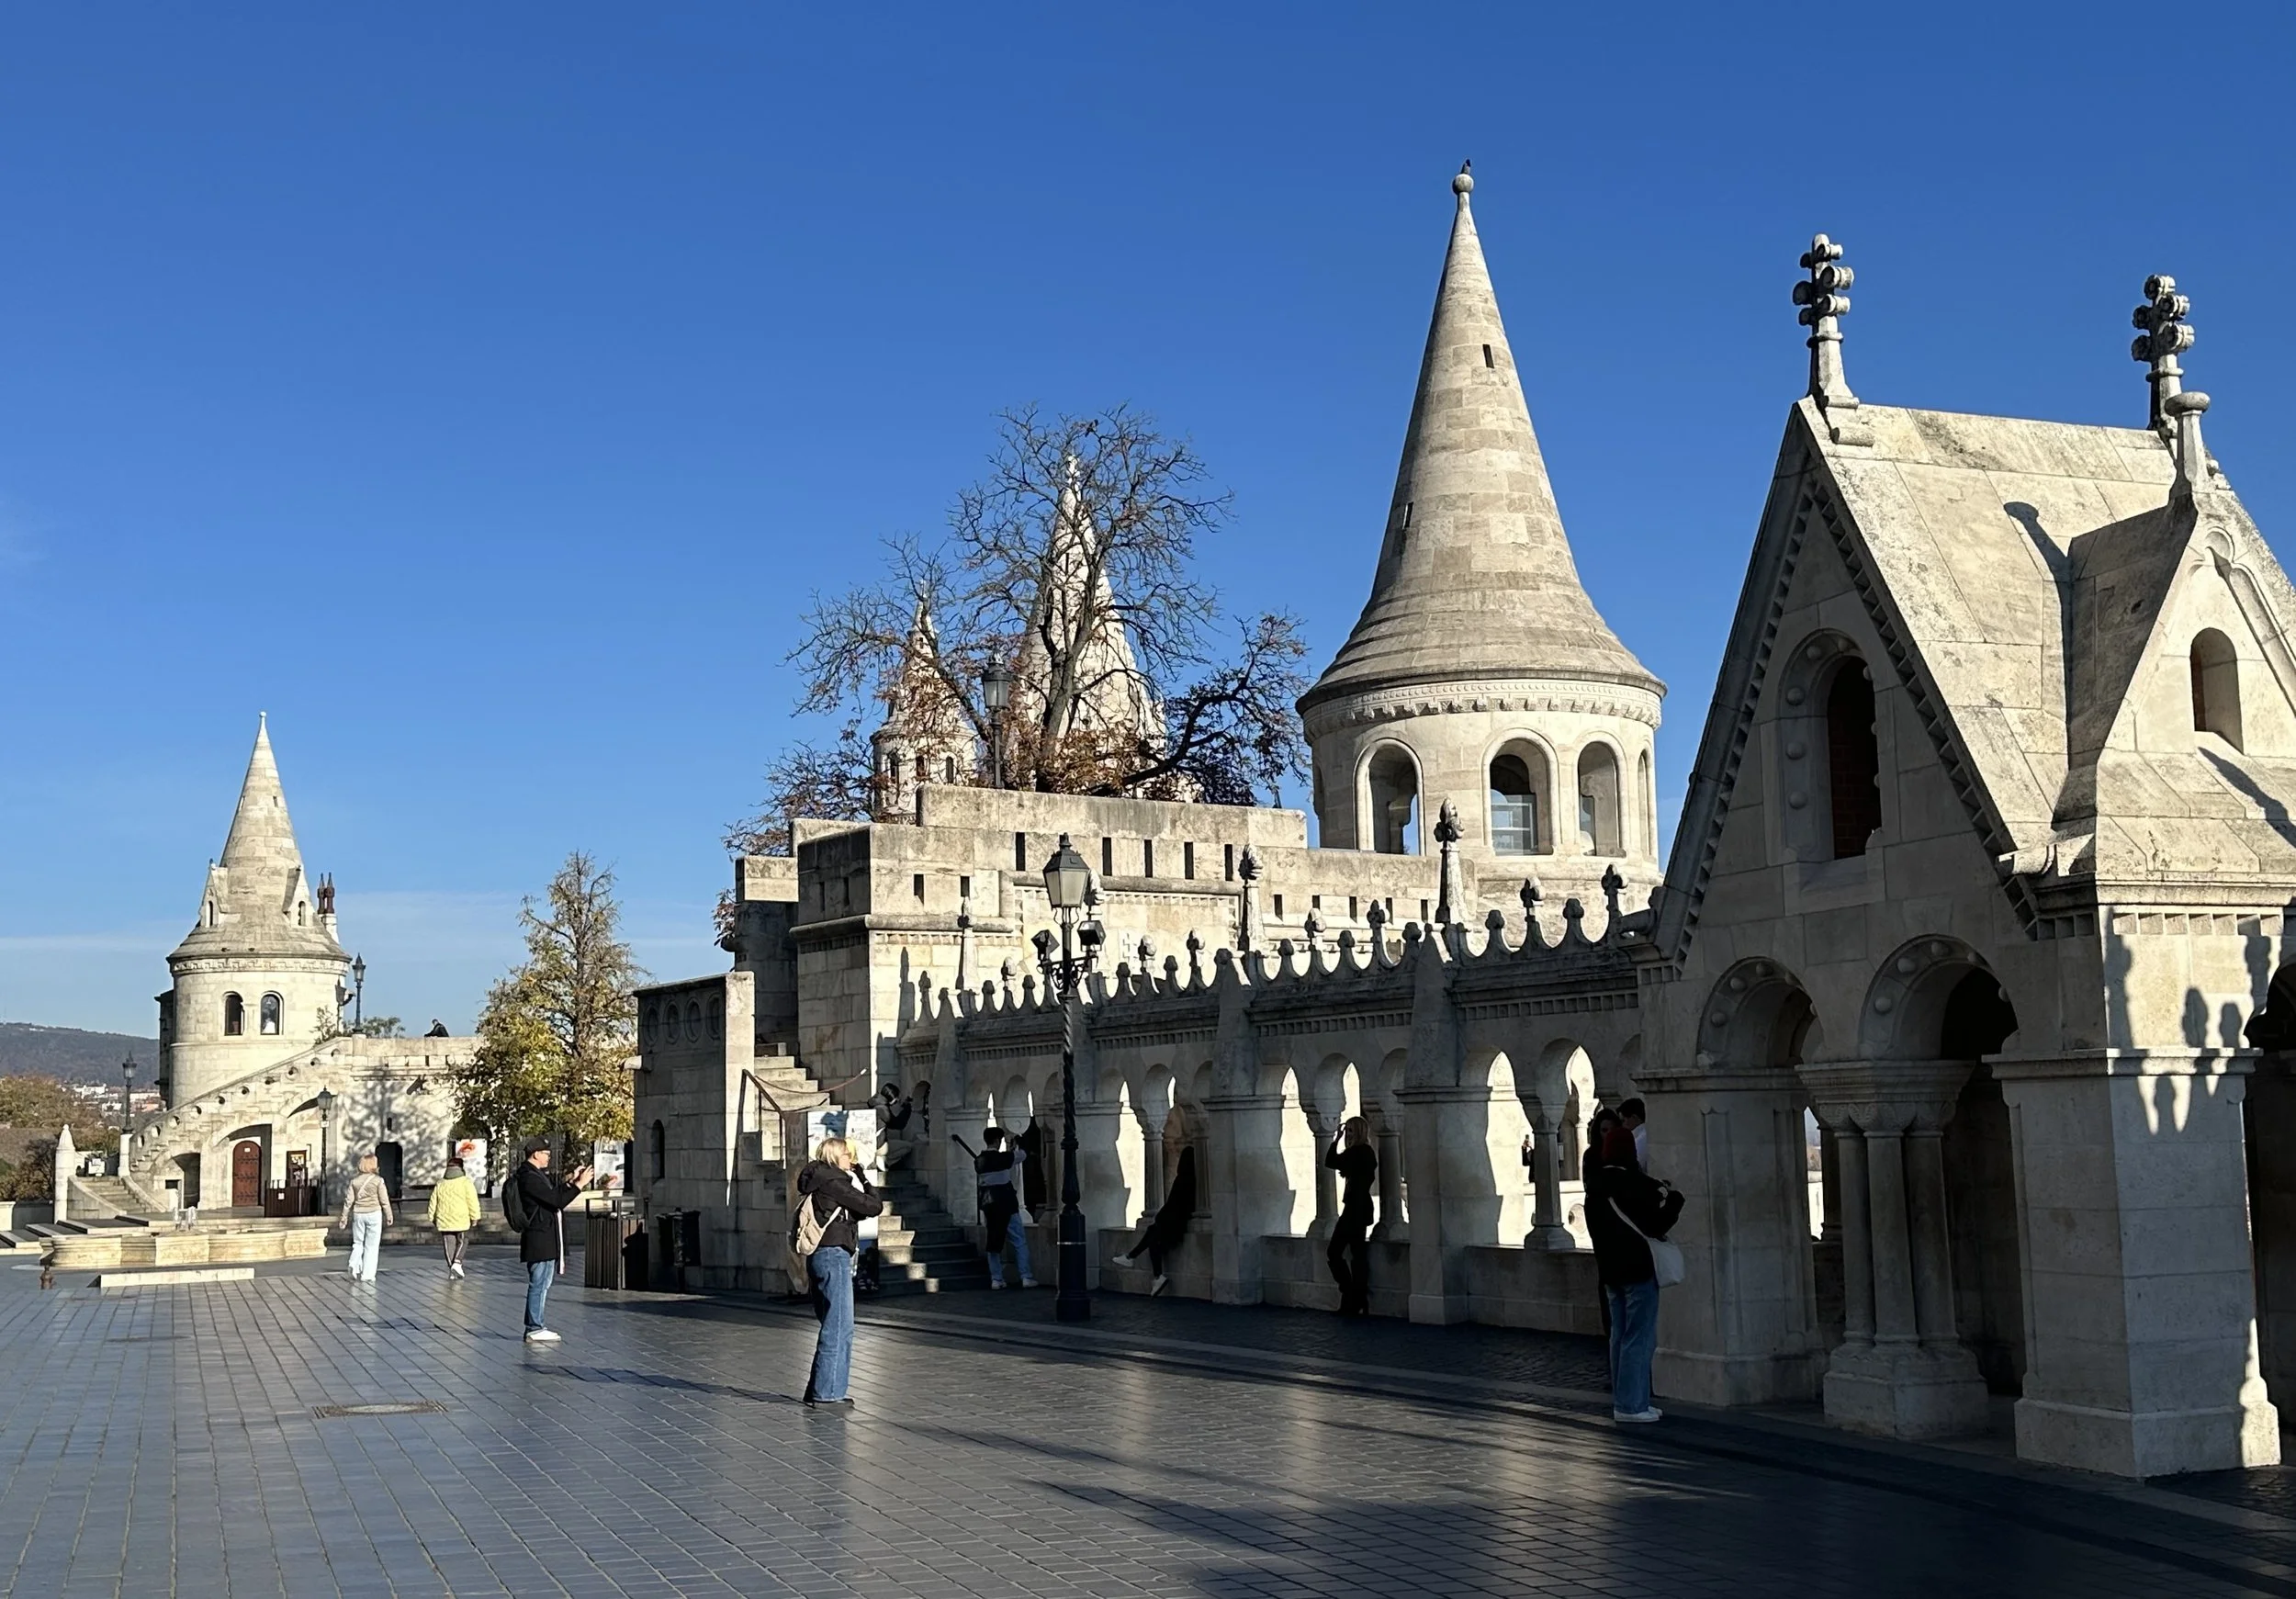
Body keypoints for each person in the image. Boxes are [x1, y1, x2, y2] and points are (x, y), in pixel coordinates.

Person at [1587, 1125, 1685, 1424]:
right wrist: (1675, 1201)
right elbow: (1656, 1225)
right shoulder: (1635, 1184)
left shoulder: (1595, 1186)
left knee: (1619, 1336)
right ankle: (1632, 1405)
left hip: (1610, 1271)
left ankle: (1628, 1399)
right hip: (1638, 1269)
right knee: (1639, 1338)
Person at [795, 1134, 883, 1406]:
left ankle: (818, 1388)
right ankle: (828, 1393)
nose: (852, 1160)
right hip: (834, 1255)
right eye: (848, 1155)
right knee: (840, 1326)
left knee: (831, 1324)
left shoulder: (818, 1180)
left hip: (819, 1256)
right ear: (836, 1156)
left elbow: (858, 1213)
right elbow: (873, 1206)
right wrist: (865, 1178)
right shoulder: (835, 1182)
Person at [510, 1138, 591, 1345]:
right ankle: (534, 1327)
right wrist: (579, 1186)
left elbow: (551, 1194)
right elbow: (555, 1200)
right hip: (540, 1236)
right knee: (539, 1283)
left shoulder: (534, 1174)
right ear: (536, 1154)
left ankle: (536, 1325)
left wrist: (570, 1182)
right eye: (546, 1153)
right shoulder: (529, 1176)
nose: (549, 1157)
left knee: (543, 1283)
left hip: (545, 1236)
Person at [957, 1127, 1034, 1288]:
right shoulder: (1004, 1158)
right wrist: (1016, 1145)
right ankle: (1026, 1276)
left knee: (993, 1243)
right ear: (998, 1141)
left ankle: (996, 1278)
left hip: (989, 1205)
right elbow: (1022, 1156)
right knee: (1019, 1240)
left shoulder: (979, 1160)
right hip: (1007, 1203)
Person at [1122, 1144, 1197, 1295]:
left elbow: (1173, 1204)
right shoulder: (1192, 1179)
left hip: (1175, 1223)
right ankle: (1151, 1272)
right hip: (1176, 1222)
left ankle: (1133, 1258)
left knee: (1153, 1236)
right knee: (1153, 1239)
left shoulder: (1182, 1180)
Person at [1324, 1118, 1378, 1316]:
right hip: (1361, 1208)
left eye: (1352, 1131)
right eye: (1348, 1132)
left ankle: (1350, 1295)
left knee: (1335, 1252)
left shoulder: (1357, 1152)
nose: (1349, 1135)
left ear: (1361, 1132)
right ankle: (1357, 1298)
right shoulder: (1366, 1153)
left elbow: (1330, 1161)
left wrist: (1335, 1140)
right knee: (1357, 1255)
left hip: (1354, 1209)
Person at [340, 1154, 393, 1283]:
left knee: (358, 1243)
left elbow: (348, 1201)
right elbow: (384, 1200)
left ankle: (353, 1263)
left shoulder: (355, 1182)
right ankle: (367, 1275)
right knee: (372, 1246)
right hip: (374, 1213)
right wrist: (389, 1214)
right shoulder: (378, 1181)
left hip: (358, 1213)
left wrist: (344, 1216)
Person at [427, 1156, 481, 1279]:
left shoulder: (440, 1183)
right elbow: (472, 1201)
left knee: (448, 1243)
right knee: (463, 1240)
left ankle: (452, 1268)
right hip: (461, 1218)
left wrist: (432, 1217)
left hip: (443, 1218)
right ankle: (457, 1262)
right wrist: (475, 1216)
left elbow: (433, 1201)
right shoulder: (465, 1182)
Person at [1618, 1098, 1649, 1171]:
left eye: (1623, 1121)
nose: (1622, 1125)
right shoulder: (1643, 1136)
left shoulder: (1640, 1140)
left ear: (1634, 1118)